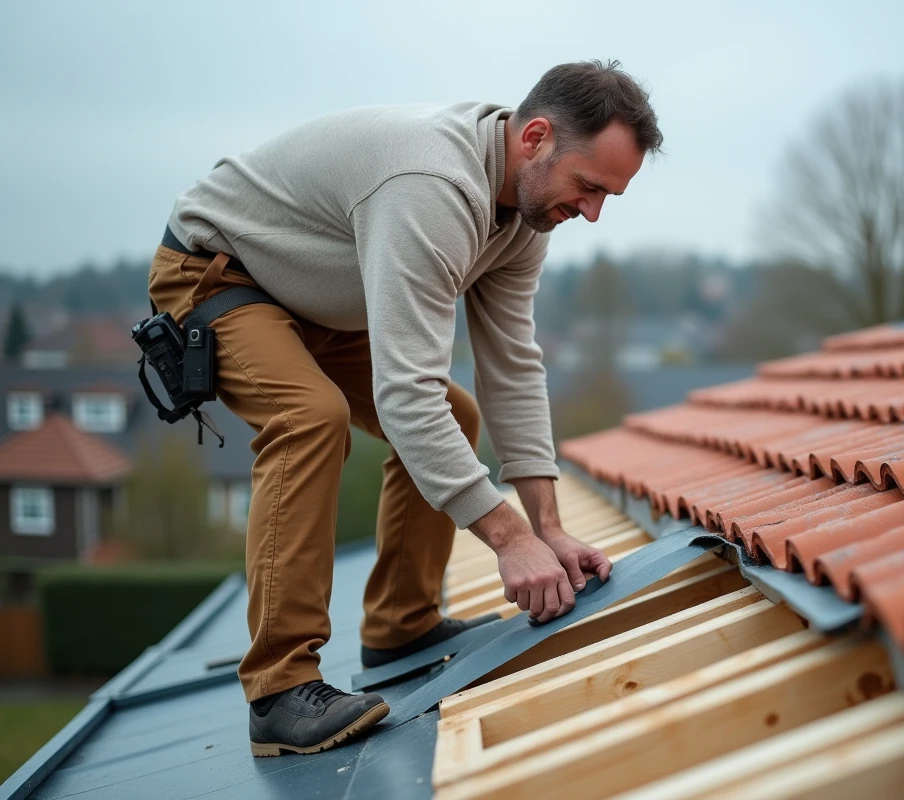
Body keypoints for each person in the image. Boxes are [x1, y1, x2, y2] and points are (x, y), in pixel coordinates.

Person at [147, 59, 663, 757]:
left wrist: (547, 527)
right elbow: (406, 395)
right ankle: (278, 690)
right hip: (220, 272)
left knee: (458, 415)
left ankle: (401, 626)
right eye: (589, 187)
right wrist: (509, 540)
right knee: (309, 418)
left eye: (609, 197)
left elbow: (511, 364)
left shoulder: (526, 217)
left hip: (320, 297)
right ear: (535, 137)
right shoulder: (433, 187)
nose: (593, 213)